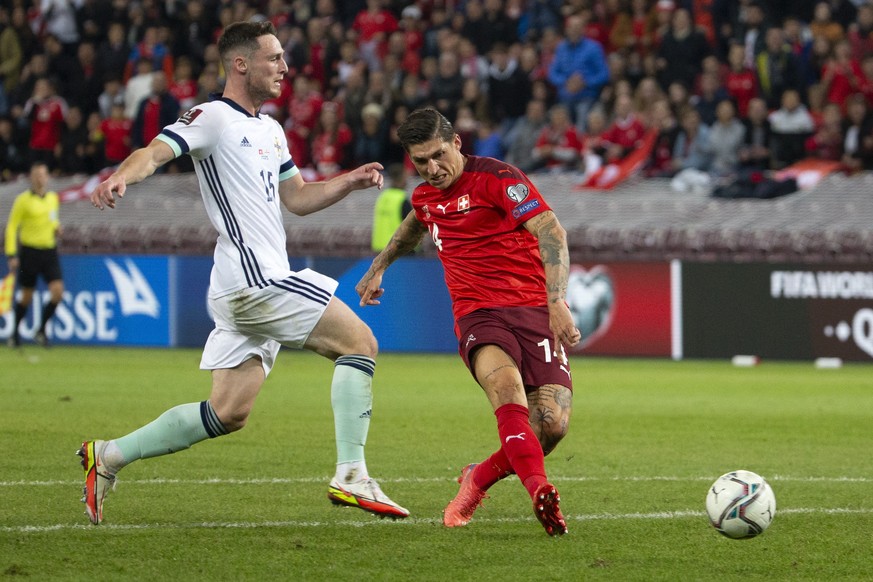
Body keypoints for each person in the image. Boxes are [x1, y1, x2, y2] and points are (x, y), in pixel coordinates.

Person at [80, 20, 408, 526]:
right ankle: (351, 473)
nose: (285, 67)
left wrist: (349, 181)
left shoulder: (271, 129)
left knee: (227, 413)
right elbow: (155, 152)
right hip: (253, 279)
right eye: (274, 58)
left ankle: (108, 455)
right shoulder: (211, 117)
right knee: (359, 343)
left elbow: (296, 199)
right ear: (240, 64)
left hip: (248, 284)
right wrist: (123, 174)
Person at [356, 107, 580, 536]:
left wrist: (556, 302)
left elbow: (551, 232)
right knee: (507, 390)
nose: (432, 169)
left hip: (533, 309)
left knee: (550, 426)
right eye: (421, 162)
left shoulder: (498, 178)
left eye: (439, 155)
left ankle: (478, 477)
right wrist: (379, 265)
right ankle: (541, 491)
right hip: (478, 315)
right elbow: (414, 226)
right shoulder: (424, 197)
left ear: (457, 142)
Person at [4, 162, 63, 347]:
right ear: (31, 177)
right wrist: (11, 254)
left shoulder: (53, 198)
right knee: (26, 296)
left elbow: (53, 219)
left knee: (57, 292)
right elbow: (12, 227)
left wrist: (56, 228)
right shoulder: (23, 200)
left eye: (43, 174)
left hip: (49, 251)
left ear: (47, 177)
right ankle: (14, 334)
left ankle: (41, 329)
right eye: (37, 174)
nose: (40, 178)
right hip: (29, 252)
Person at [371, 163, 411, 252]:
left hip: (380, 248)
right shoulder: (402, 199)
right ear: (402, 178)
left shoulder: (382, 197)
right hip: (399, 249)